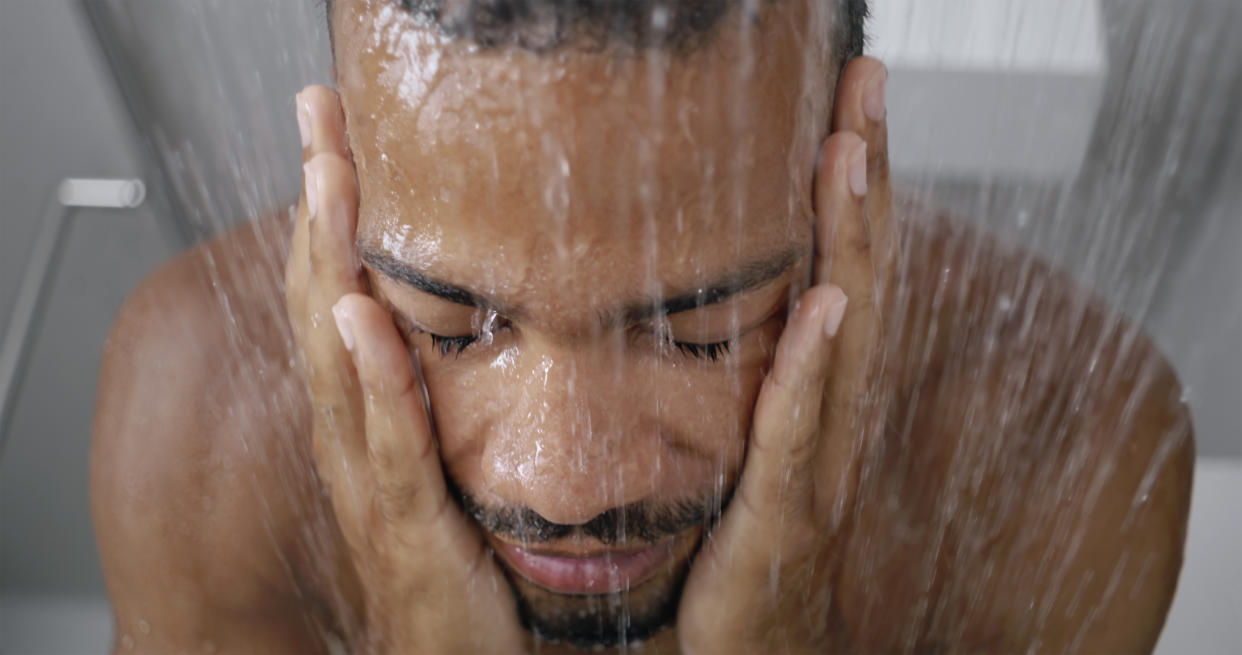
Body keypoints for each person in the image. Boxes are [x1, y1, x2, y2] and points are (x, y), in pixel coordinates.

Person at [90, 0, 1194, 652]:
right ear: (344, 181)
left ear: (850, 193)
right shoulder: (195, 438)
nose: (567, 483)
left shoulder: (1062, 467)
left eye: (702, 327)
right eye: (451, 323)